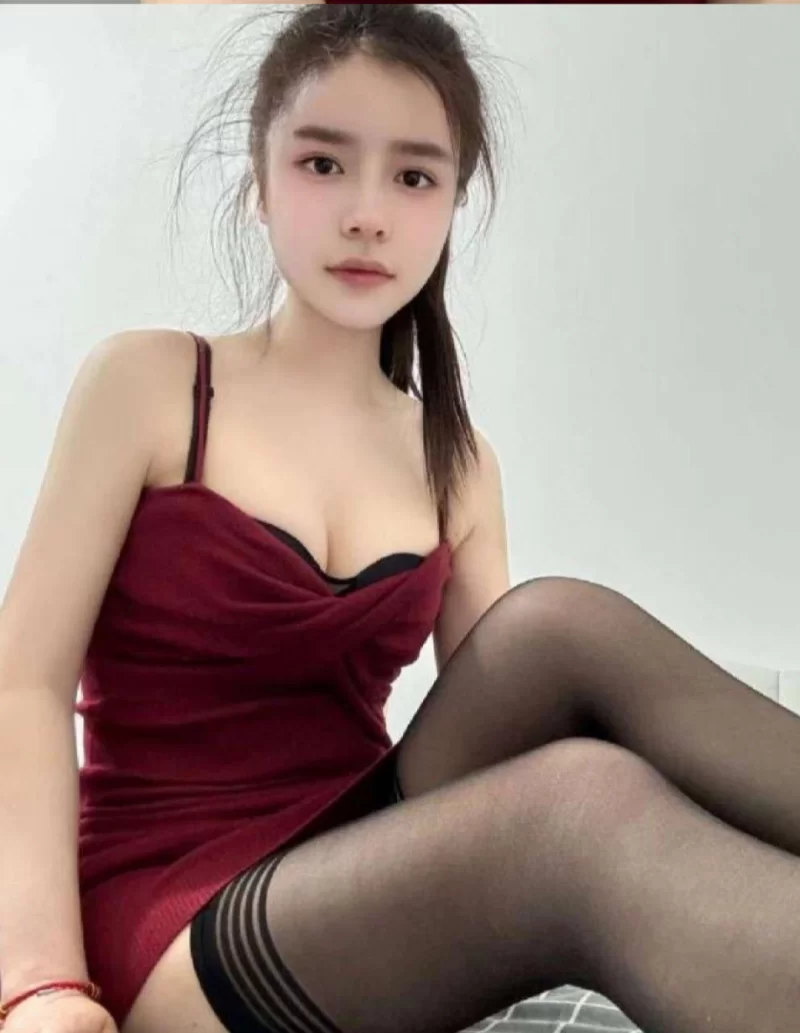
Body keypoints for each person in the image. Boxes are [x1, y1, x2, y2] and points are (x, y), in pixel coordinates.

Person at [1, 7, 799, 1033]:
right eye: (323, 164)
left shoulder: (456, 462)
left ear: (452, 203)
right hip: (172, 910)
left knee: (553, 628)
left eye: (414, 177)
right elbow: (23, 681)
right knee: (581, 805)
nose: (367, 213)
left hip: (358, 870)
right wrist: (39, 981)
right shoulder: (151, 384)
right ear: (259, 182)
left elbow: (508, 733)